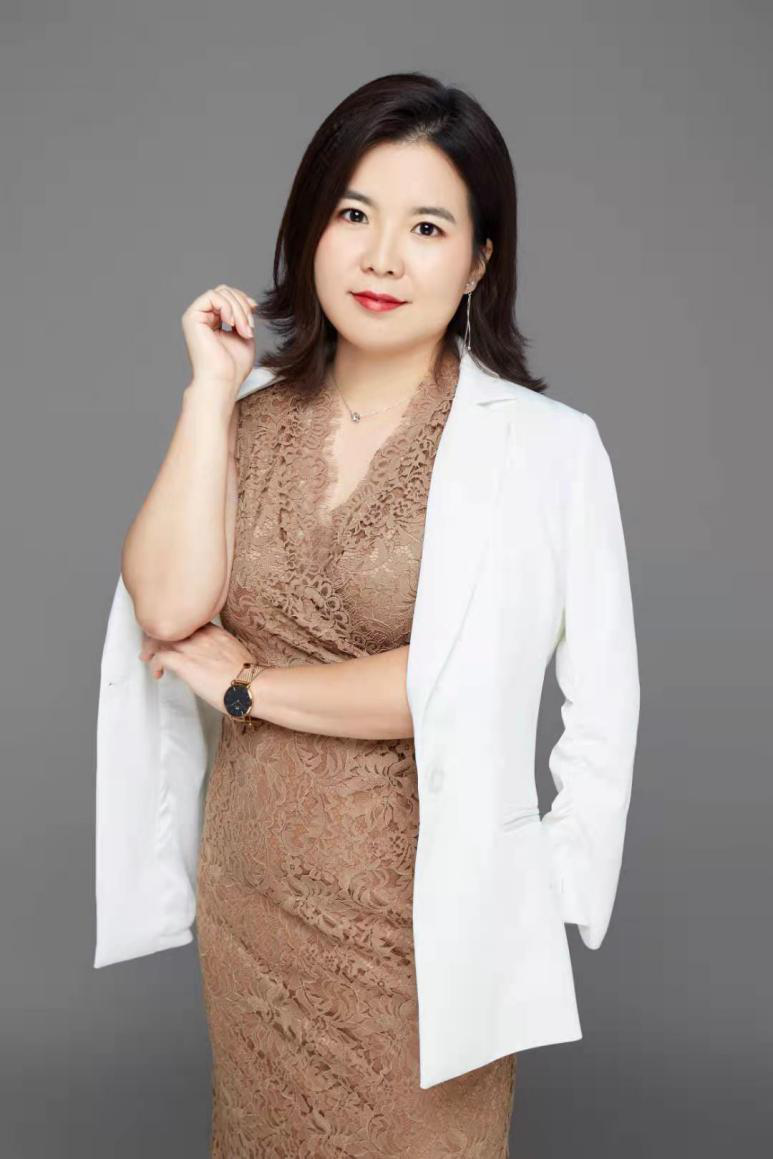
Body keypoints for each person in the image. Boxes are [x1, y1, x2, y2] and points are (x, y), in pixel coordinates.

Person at [116, 71, 639, 1157]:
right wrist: (209, 391)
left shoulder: (541, 450)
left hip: (429, 918)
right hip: (254, 906)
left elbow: (473, 679)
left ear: (479, 259)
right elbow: (164, 605)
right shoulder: (247, 419)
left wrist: (249, 685)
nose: (382, 257)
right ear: (312, 226)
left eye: (427, 227)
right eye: (354, 214)